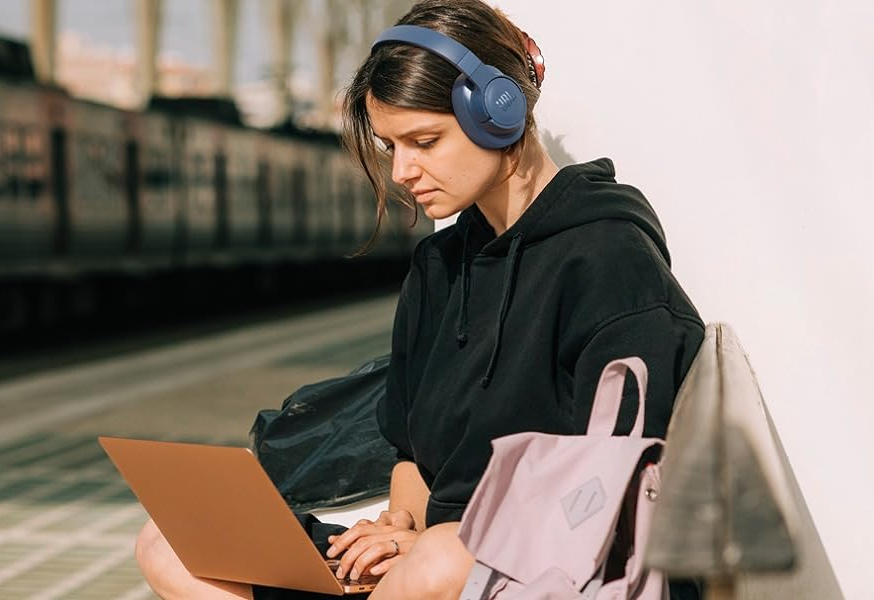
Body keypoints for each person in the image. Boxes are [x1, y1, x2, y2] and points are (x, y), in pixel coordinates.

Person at [134, 1, 706, 598]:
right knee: (173, 539)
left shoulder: (607, 259)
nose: (403, 170)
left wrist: (441, 545)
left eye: (424, 141)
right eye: (391, 147)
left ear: (499, 113)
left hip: (542, 570)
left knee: (438, 558)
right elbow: (411, 453)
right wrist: (394, 529)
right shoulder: (437, 266)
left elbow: (616, 488)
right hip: (427, 569)